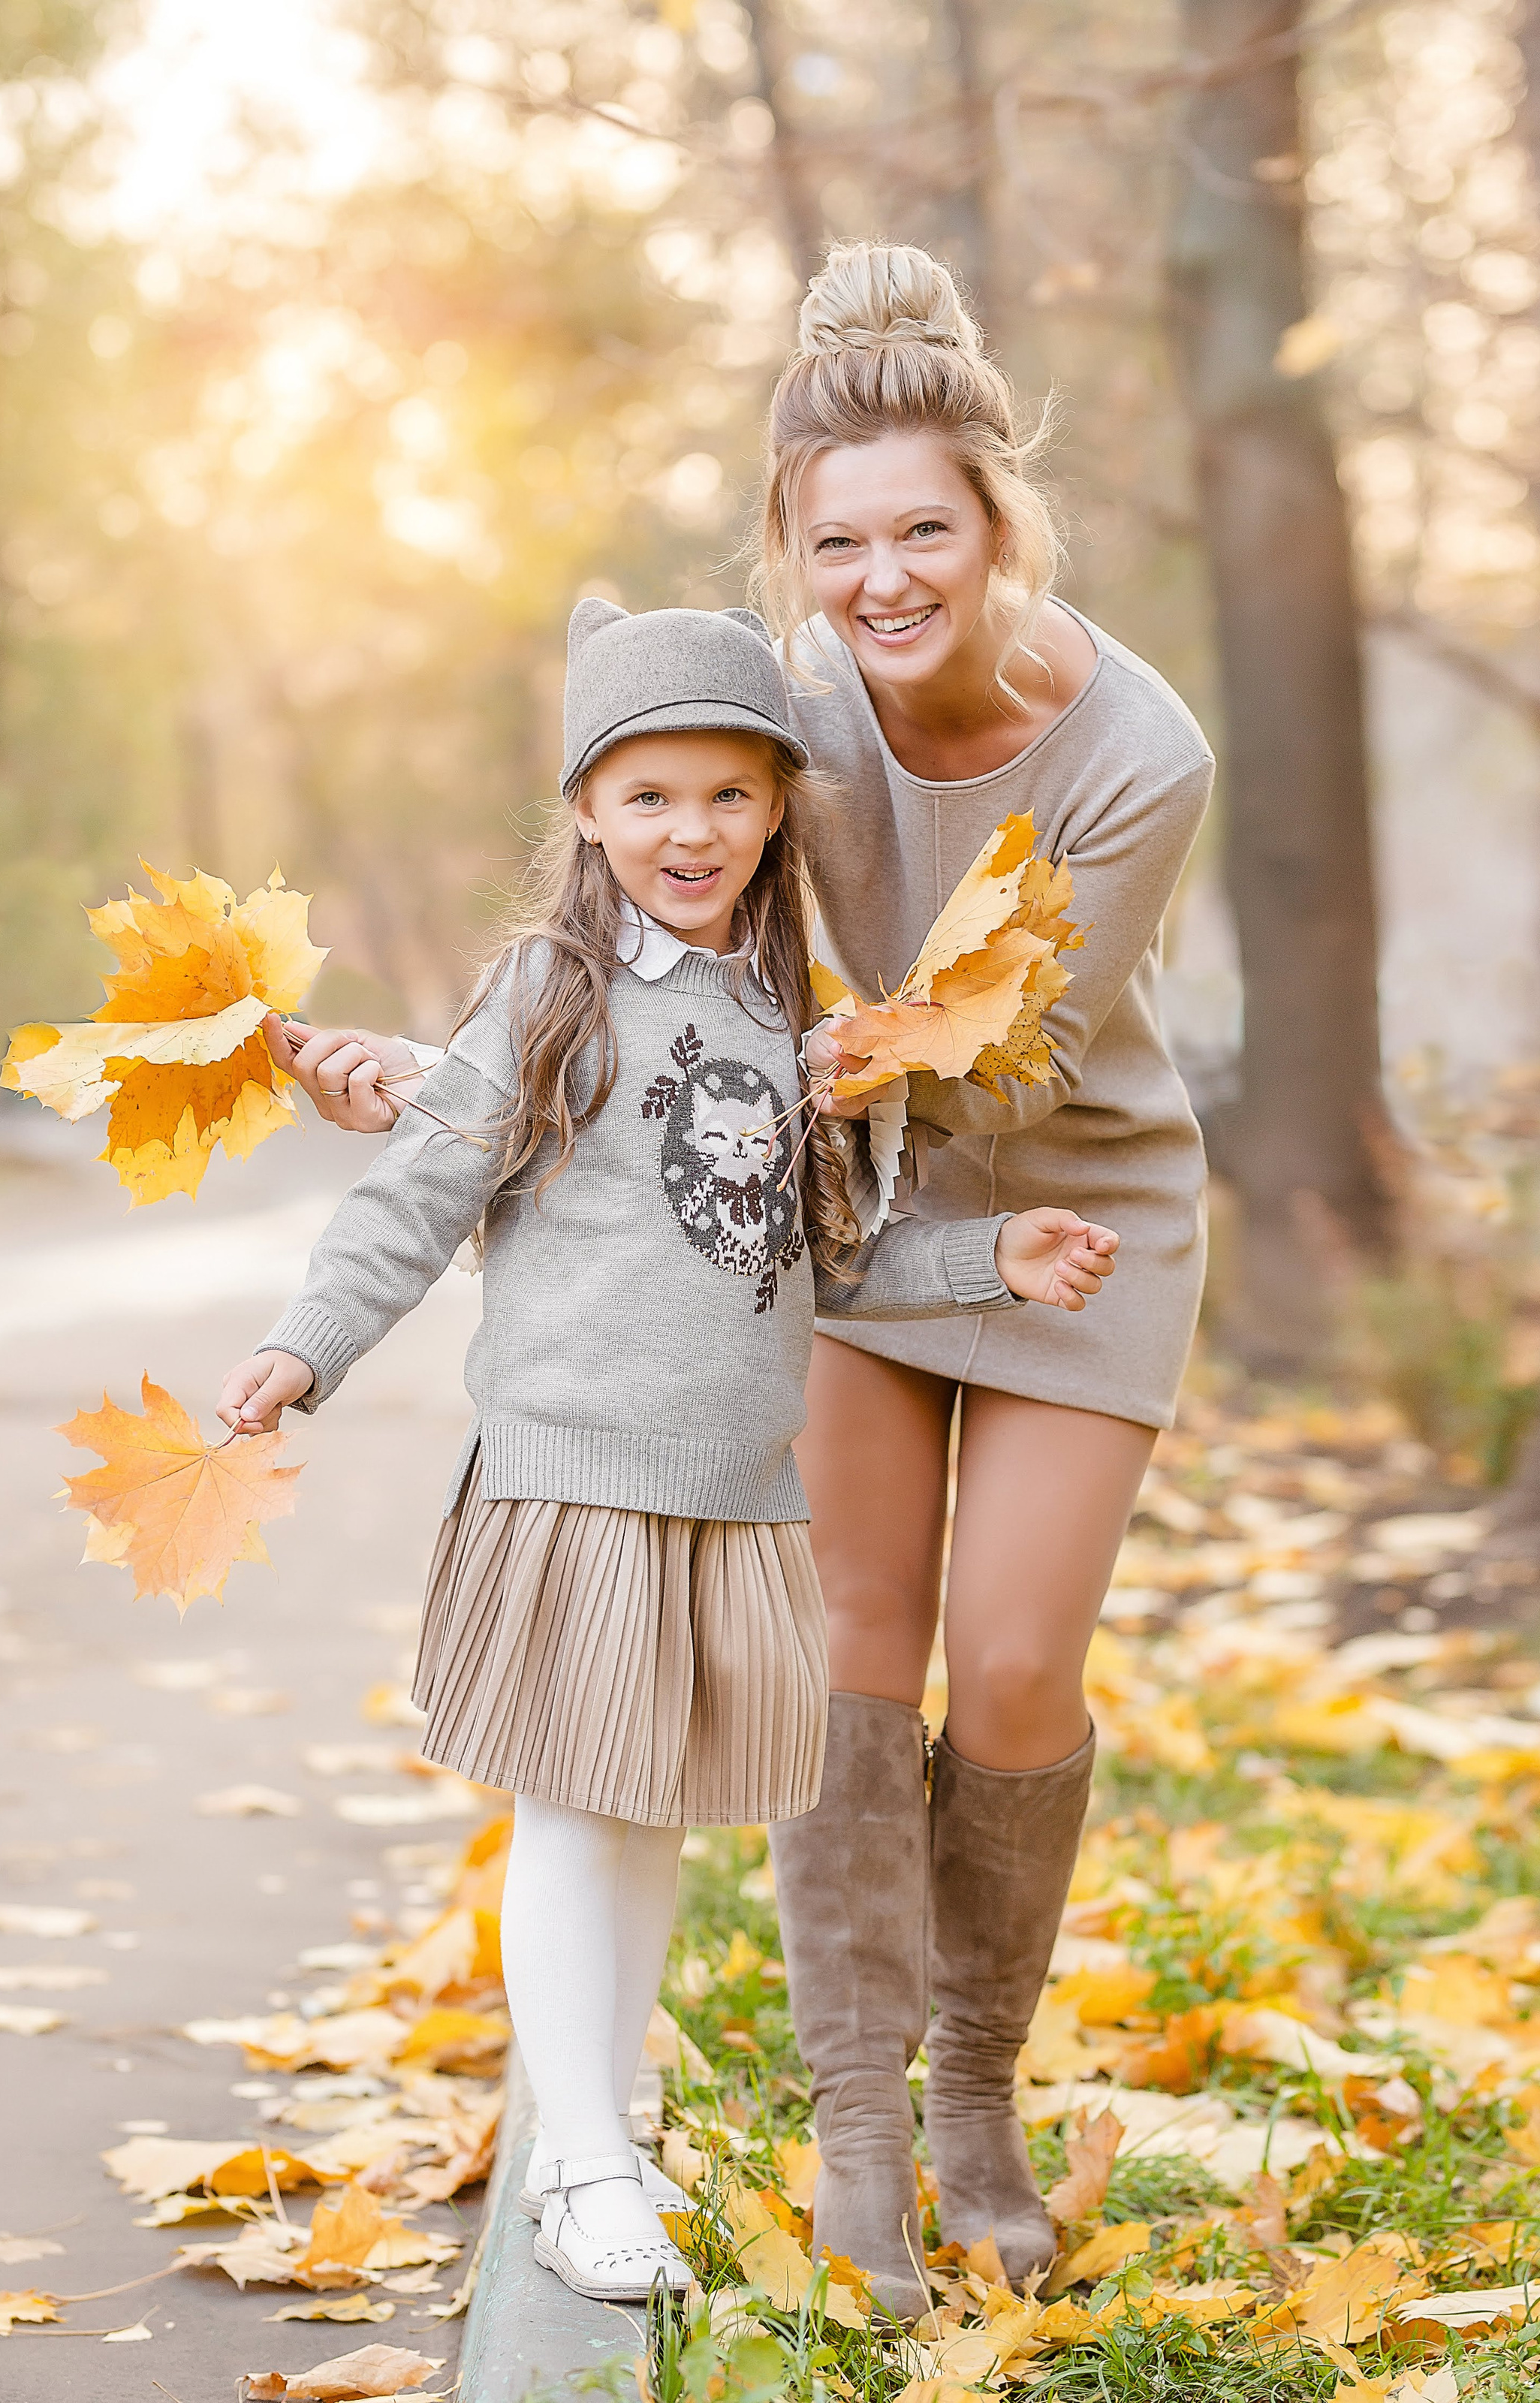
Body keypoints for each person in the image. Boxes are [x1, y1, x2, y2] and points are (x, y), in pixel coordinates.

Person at [270, 243, 1210, 2308]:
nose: (885, 581)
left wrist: (816, 1085)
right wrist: (457, 1085)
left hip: (1064, 1206)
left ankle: (979, 2092)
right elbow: (641, 971)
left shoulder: (1138, 747)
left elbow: (1020, 1055)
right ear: (795, 546)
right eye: (839, 542)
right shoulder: (776, 722)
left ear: (997, 526)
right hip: (808, 1222)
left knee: (1022, 1659)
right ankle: (861, 2126)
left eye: (925, 534)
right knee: (854, 1651)